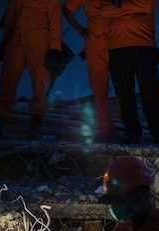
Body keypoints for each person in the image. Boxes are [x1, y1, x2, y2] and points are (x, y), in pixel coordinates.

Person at [101, 0, 159, 145]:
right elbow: (105, 10)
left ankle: (158, 132)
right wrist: (133, 8)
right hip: (117, 46)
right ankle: (132, 131)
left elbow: (147, 5)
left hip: (143, 43)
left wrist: (120, 6)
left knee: (150, 90)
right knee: (123, 91)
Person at [0, 0, 62, 140]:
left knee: (39, 83)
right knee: (7, 81)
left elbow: (55, 21)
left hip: (39, 40)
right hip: (17, 39)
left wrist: (54, 48)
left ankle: (34, 128)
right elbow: (11, 17)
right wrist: (4, 41)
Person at [63, 0, 114, 143]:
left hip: (118, 41)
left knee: (123, 87)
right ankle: (105, 130)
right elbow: (66, 9)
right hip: (96, 45)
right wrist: (79, 29)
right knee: (99, 88)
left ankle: (129, 128)